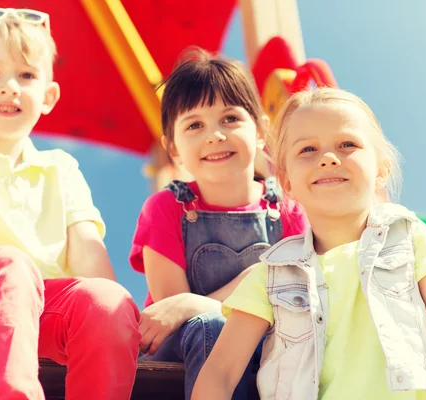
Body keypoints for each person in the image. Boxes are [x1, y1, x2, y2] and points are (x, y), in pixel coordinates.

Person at [192, 87, 426, 400]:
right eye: (307, 150)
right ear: (286, 181)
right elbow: (221, 372)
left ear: (381, 168)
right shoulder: (270, 274)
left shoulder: (410, 238)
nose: (327, 158)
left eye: (347, 144)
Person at [0, 8, 140, 399]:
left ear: (48, 96)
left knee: (107, 300)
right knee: (9, 264)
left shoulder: (60, 169)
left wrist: (116, 313)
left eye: (26, 75)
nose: (10, 86)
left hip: (44, 309)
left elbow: (91, 266)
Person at [129, 48, 308, 399]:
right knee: (214, 327)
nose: (215, 135)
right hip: (181, 348)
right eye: (195, 125)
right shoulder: (167, 208)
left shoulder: (289, 210)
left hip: (264, 340)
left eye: (230, 119)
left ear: (260, 131)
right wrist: (242, 291)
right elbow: (172, 312)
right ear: (174, 149)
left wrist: (197, 302)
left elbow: (295, 295)